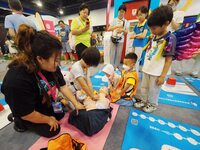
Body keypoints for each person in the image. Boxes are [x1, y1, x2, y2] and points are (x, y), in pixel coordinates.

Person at [1, 24, 84, 137]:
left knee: (60, 114)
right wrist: (47, 120)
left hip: (42, 102)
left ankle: (26, 112)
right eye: (55, 60)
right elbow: (27, 113)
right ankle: (19, 122)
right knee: (53, 129)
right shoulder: (17, 80)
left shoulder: (51, 67)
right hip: (28, 112)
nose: (58, 64)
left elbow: (63, 86)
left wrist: (76, 103)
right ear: (39, 59)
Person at [134, 5, 176, 113]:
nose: (152, 31)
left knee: (153, 90)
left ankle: (152, 104)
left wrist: (162, 76)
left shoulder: (170, 38)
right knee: (144, 87)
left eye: (154, 28)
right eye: (150, 29)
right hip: (147, 68)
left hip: (157, 72)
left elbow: (168, 60)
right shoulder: (153, 36)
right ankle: (144, 100)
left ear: (166, 23)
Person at [130, 6, 150, 71]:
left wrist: (136, 35)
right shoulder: (137, 25)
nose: (139, 17)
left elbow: (143, 36)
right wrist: (137, 35)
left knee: (137, 61)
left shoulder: (146, 24)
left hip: (140, 45)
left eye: (141, 15)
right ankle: (131, 74)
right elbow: (131, 36)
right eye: (138, 15)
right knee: (132, 60)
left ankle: (136, 76)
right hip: (134, 44)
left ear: (146, 14)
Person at [167, 0, 184, 75]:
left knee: (172, 54)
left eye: (174, 1)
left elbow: (177, 27)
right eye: (170, 2)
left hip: (173, 36)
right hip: (164, 35)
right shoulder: (165, 11)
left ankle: (177, 70)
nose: (172, 3)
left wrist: (171, 16)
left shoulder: (180, 13)